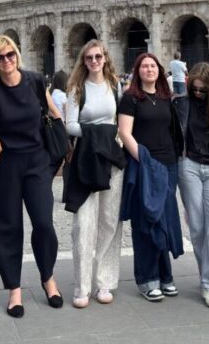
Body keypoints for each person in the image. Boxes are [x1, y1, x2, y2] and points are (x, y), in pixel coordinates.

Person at [0, 35, 62, 317]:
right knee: (7, 226)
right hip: (5, 163)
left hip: (36, 161)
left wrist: (56, 152)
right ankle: (14, 289)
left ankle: (47, 277)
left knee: (44, 223)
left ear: (17, 55)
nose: (6, 60)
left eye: (10, 55)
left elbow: (54, 113)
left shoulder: (35, 81)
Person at [63, 40, 125, 309]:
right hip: (87, 159)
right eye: (89, 58)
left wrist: (109, 135)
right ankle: (82, 286)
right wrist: (99, 133)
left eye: (98, 56)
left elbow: (118, 119)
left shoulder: (115, 85)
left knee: (109, 221)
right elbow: (70, 125)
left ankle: (104, 281)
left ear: (105, 58)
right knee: (84, 225)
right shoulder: (77, 89)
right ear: (83, 61)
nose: (94, 61)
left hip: (111, 158)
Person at [118, 52, 183, 302]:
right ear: (138, 71)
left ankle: (165, 275)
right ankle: (147, 277)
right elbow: (125, 133)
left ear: (159, 70)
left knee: (163, 220)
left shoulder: (166, 98)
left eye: (153, 66)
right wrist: (144, 160)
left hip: (168, 165)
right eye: (144, 66)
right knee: (146, 221)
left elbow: (173, 130)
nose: (149, 69)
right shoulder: (130, 98)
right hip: (144, 164)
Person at [177, 63, 209, 308]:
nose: (198, 93)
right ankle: (208, 279)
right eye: (194, 89)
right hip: (190, 166)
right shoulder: (181, 104)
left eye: (202, 90)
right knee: (197, 227)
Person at [168, 52, 188, 129]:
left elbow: (171, 70)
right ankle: (181, 110)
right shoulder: (181, 63)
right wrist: (187, 74)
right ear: (179, 56)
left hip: (174, 80)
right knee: (182, 96)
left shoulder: (171, 63)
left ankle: (176, 108)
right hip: (181, 80)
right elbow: (186, 72)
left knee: (176, 95)